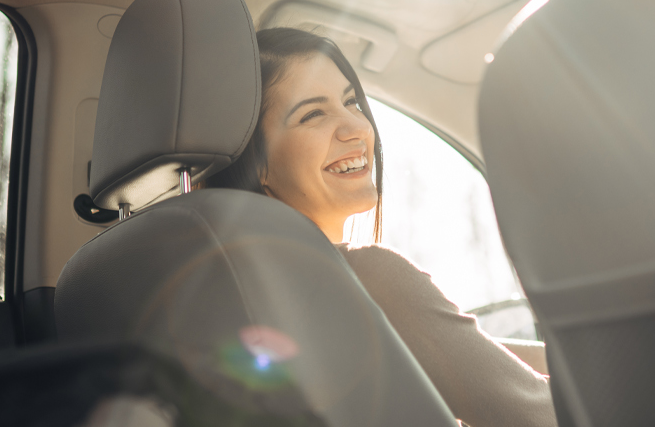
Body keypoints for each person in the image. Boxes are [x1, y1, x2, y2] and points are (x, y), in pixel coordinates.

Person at [209, 27, 556, 427]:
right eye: (313, 114)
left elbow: (459, 355)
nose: (357, 128)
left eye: (351, 101)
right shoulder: (364, 277)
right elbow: (543, 418)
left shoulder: (238, 285)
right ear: (255, 163)